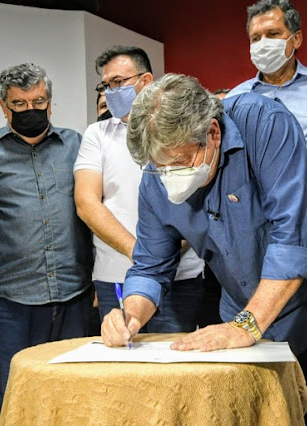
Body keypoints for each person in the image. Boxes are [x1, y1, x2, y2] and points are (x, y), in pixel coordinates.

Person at [102, 73, 307, 426]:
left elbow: (293, 236)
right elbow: (151, 265)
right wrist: (130, 314)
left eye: (179, 162)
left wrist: (246, 325)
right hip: (244, 308)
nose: (168, 176)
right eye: (158, 167)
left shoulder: (264, 123)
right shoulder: (156, 179)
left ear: (212, 133)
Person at [0, 63, 93, 426]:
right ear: (4, 107)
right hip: (9, 299)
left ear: (50, 102)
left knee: (72, 392)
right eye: (20, 104)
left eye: (39, 101)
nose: (31, 110)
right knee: (12, 393)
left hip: (73, 293)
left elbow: (92, 211)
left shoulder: (75, 144)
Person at [75, 45, 205, 332]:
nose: (110, 91)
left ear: (145, 81)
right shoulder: (98, 134)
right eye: (105, 85)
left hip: (180, 275)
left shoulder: (180, 128)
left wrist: (160, 258)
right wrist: (145, 255)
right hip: (115, 274)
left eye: (118, 82)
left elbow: (197, 199)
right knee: (122, 365)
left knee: (175, 366)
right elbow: (87, 202)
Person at [227, 0, 307, 192]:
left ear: (296, 39)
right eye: (255, 38)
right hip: (264, 214)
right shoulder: (237, 97)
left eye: (273, 34)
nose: (263, 44)